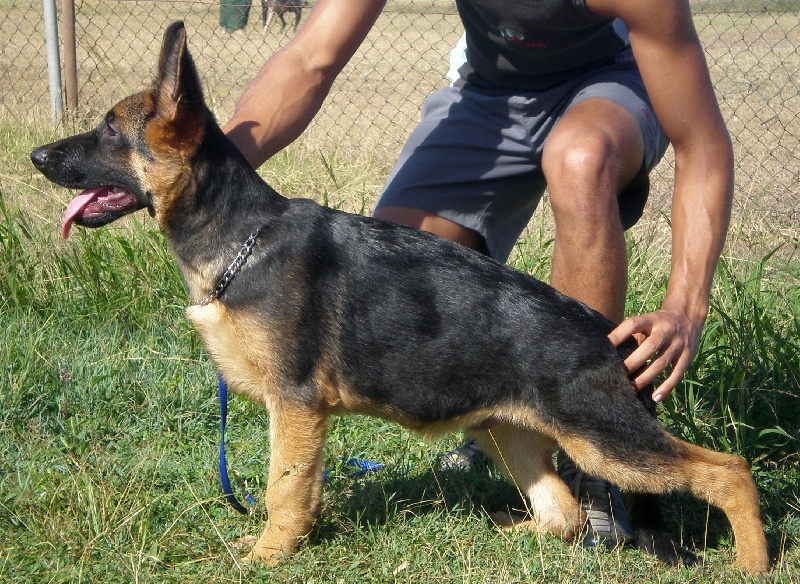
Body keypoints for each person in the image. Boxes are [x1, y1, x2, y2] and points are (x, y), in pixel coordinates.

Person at [223, 0, 733, 548]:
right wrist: (209, 170)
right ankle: (499, 420)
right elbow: (310, 59)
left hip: (612, 81)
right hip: (491, 91)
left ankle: (595, 464)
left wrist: (685, 305)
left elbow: (702, 145)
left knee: (579, 159)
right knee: (388, 284)